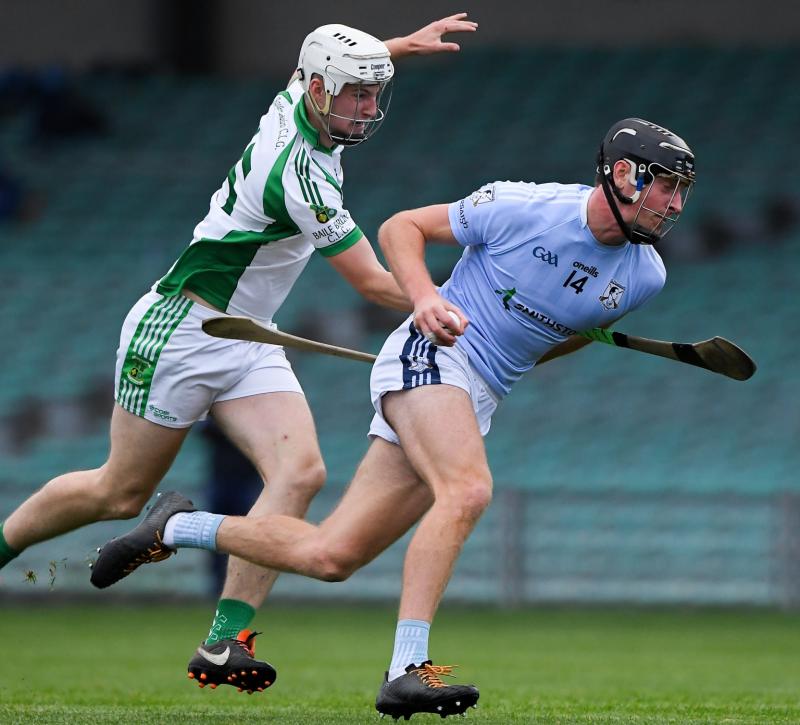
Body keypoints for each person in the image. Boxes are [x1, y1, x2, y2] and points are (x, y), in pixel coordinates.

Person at [89, 118, 696, 718]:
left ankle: (174, 528)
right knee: (467, 490)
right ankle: (407, 667)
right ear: (621, 175)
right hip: (430, 356)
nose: (674, 203)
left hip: (476, 393)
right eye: (665, 185)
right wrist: (428, 298)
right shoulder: (525, 207)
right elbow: (402, 226)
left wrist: (520, 360)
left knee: (333, 556)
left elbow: (571, 335)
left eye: (681, 190)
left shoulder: (646, 276)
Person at [0, 14, 479, 694]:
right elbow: (376, 282)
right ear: (318, 89)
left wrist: (390, 49)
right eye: (357, 95)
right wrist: (475, 302)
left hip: (248, 331)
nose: (370, 111)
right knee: (118, 490)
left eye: (375, 94)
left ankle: (223, 644)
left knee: (302, 471)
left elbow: (313, 64)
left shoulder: (297, 98)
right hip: (180, 328)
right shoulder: (303, 176)